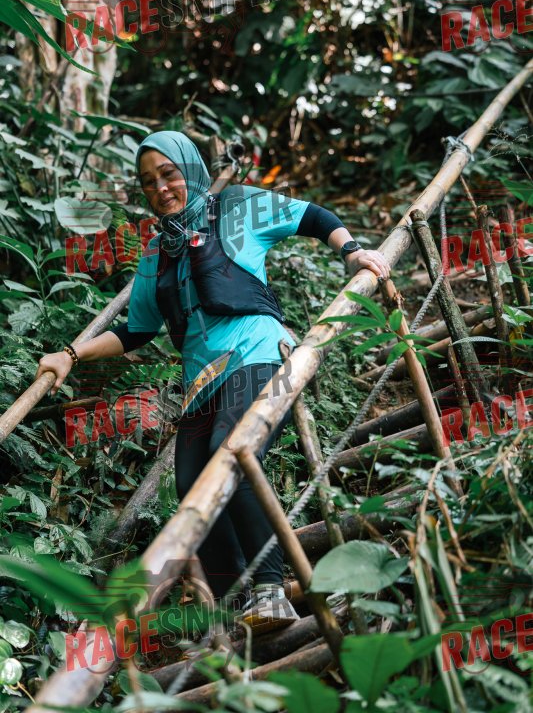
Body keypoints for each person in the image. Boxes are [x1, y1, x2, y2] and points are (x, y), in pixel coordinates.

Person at [36, 131, 390, 630]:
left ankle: (270, 590)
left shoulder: (237, 206)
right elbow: (136, 330)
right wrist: (71, 355)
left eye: (169, 174)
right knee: (189, 486)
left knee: (233, 452)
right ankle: (232, 601)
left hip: (259, 353)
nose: (160, 188)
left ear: (191, 169)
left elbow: (313, 217)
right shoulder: (156, 252)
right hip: (202, 380)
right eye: (148, 182)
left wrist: (351, 251)